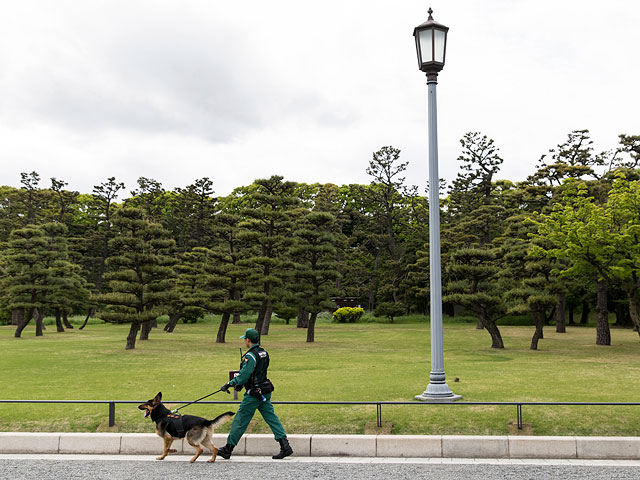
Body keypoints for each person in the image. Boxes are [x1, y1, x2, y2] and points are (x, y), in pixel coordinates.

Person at [217, 328, 293, 460]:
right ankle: (285, 446)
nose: (244, 341)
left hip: (254, 394)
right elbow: (258, 372)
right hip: (264, 391)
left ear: (248, 340)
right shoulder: (264, 352)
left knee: (240, 420)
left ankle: (228, 449)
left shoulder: (250, 356)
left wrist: (230, 384)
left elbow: (244, 375)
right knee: (271, 418)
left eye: (245, 339)